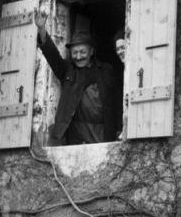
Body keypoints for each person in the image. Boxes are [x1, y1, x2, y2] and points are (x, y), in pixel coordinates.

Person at [35, 10, 120, 145]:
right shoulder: (68, 70)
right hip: (74, 134)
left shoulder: (105, 70)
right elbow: (52, 54)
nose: (78, 56)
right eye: (75, 52)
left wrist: (119, 129)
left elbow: (116, 100)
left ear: (92, 51)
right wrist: (41, 28)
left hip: (101, 133)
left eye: (82, 52)